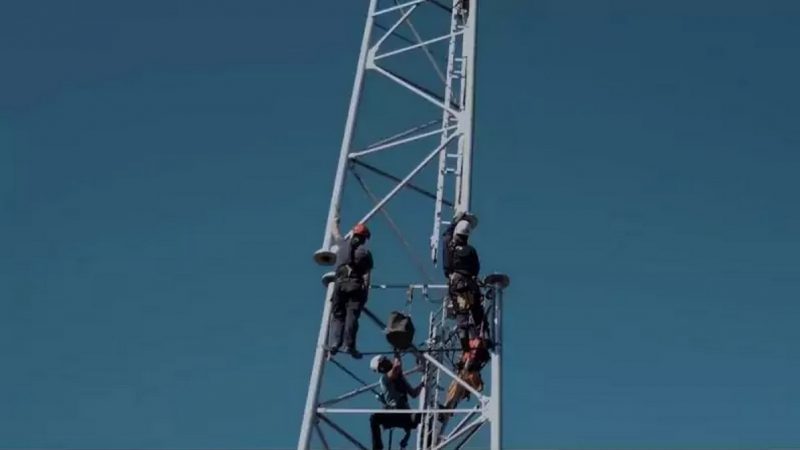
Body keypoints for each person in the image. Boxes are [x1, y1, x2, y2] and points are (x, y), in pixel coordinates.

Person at [327, 219, 373, 359]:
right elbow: (367, 276)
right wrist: (366, 293)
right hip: (355, 286)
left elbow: (335, 233)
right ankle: (349, 345)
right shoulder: (365, 254)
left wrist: (334, 221)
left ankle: (335, 343)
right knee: (351, 317)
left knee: (338, 315)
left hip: (339, 286)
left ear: (353, 234)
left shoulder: (342, 246)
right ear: (364, 239)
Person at [442, 212, 485, 351]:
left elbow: (446, 237)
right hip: (471, 287)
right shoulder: (471, 250)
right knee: (477, 313)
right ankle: (482, 338)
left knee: (462, 315)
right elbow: (476, 268)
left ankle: (466, 348)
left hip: (459, 287)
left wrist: (455, 222)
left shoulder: (450, 248)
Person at [369, 355, 423, 450]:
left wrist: (423, 384)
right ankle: (377, 448)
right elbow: (397, 367)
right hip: (395, 412)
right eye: (385, 362)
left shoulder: (400, 378)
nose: (388, 362)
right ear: (382, 368)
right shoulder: (384, 379)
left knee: (421, 417)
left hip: (406, 416)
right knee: (374, 418)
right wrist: (398, 350)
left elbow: (413, 394)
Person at [440, 336, 490, 424]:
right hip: (463, 377)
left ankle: (447, 411)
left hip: (464, 383)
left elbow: (479, 387)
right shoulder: (466, 369)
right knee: (453, 390)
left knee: (455, 391)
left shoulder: (474, 374)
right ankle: (446, 410)